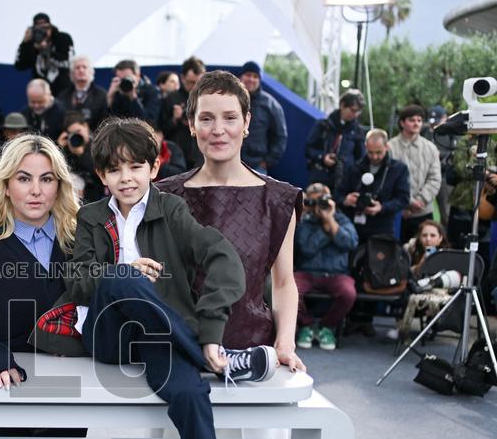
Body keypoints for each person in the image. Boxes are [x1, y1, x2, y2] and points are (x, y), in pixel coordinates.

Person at [33, 116, 277, 439]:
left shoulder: (172, 211)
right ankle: (221, 361)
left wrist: (211, 330)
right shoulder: (89, 217)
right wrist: (121, 274)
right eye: (115, 170)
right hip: (107, 335)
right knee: (121, 276)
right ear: (102, 176)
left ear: (153, 167)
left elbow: (222, 257)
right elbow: (77, 281)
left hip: (160, 338)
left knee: (189, 394)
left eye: (135, 167)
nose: (126, 178)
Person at [157, 70, 306, 371]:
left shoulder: (278, 199)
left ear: (247, 123)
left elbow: (283, 282)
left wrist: (285, 344)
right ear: (191, 125)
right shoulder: (163, 195)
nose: (218, 130)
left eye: (230, 118)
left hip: (251, 353)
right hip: (176, 351)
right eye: (207, 118)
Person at [0, 133, 85, 438]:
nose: (36, 191)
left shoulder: (82, 246)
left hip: (68, 398)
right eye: (24, 179)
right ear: (7, 187)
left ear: (60, 186)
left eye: (47, 179)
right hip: (0, 397)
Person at [293, 183, 359, 351]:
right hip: (308, 272)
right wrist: (326, 230)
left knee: (348, 293)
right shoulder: (305, 221)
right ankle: (306, 326)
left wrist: (330, 220)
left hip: (336, 274)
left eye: (321, 201)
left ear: (330, 201)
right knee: (290, 290)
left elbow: (350, 243)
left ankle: (326, 327)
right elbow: (306, 249)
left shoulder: (342, 219)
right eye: (313, 202)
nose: (318, 207)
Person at [336, 129, 411, 243]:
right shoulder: (354, 168)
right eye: (370, 152)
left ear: (387, 147)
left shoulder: (398, 169)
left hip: (382, 228)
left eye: (378, 152)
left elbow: (403, 199)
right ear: (365, 147)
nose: (375, 157)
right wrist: (346, 200)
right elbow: (337, 194)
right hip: (353, 228)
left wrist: (382, 207)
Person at [388, 105, 441, 242]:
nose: (416, 123)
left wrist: (420, 200)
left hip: (423, 211)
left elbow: (435, 179)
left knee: (424, 254)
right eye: (412, 120)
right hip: (397, 212)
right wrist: (408, 202)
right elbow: (388, 179)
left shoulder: (431, 148)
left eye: (419, 120)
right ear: (402, 123)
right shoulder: (390, 147)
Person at [304, 89, 366, 193]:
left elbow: (360, 159)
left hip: (344, 183)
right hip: (320, 178)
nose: (355, 114)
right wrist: (322, 158)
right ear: (342, 105)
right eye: (352, 110)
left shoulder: (358, 131)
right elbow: (308, 149)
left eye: (358, 111)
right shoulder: (323, 125)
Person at [238, 61, 287, 174]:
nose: (251, 79)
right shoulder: (229, 100)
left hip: (257, 167)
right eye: (248, 75)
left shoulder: (271, 104)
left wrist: (267, 161)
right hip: (230, 165)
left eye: (255, 76)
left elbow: (280, 136)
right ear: (241, 77)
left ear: (259, 80)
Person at [160, 56, 205, 169]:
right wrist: (175, 119)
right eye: (191, 82)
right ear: (182, 78)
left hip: (202, 155)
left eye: (198, 82)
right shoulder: (171, 98)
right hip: (178, 157)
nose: (194, 86)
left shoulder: (208, 98)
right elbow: (161, 130)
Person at [14, 12, 74, 97]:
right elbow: (20, 65)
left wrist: (45, 49)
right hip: (41, 92)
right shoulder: (32, 43)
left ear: (51, 27)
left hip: (64, 91)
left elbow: (68, 61)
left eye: (45, 28)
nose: (43, 31)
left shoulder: (63, 38)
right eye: (38, 29)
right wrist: (25, 43)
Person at [56, 110, 101, 203]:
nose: (77, 135)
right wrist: (59, 148)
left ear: (85, 126)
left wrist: (81, 155)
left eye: (78, 131)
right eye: (72, 133)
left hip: (95, 196)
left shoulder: (99, 144)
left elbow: (100, 173)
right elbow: (58, 171)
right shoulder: (67, 148)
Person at [56, 56, 108, 131]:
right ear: (72, 73)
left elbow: (104, 120)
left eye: (84, 67)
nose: (81, 70)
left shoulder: (101, 94)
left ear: (91, 72)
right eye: (77, 68)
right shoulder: (63, 95)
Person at [106, 59, 160, 124]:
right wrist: (110, 97)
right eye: (121, 79)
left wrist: (133, 97)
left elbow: (147, 120)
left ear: (137, 75)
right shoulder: (118, 92)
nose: (124, 82)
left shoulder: (152, 91)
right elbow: (109, 121)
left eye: (127, 78)